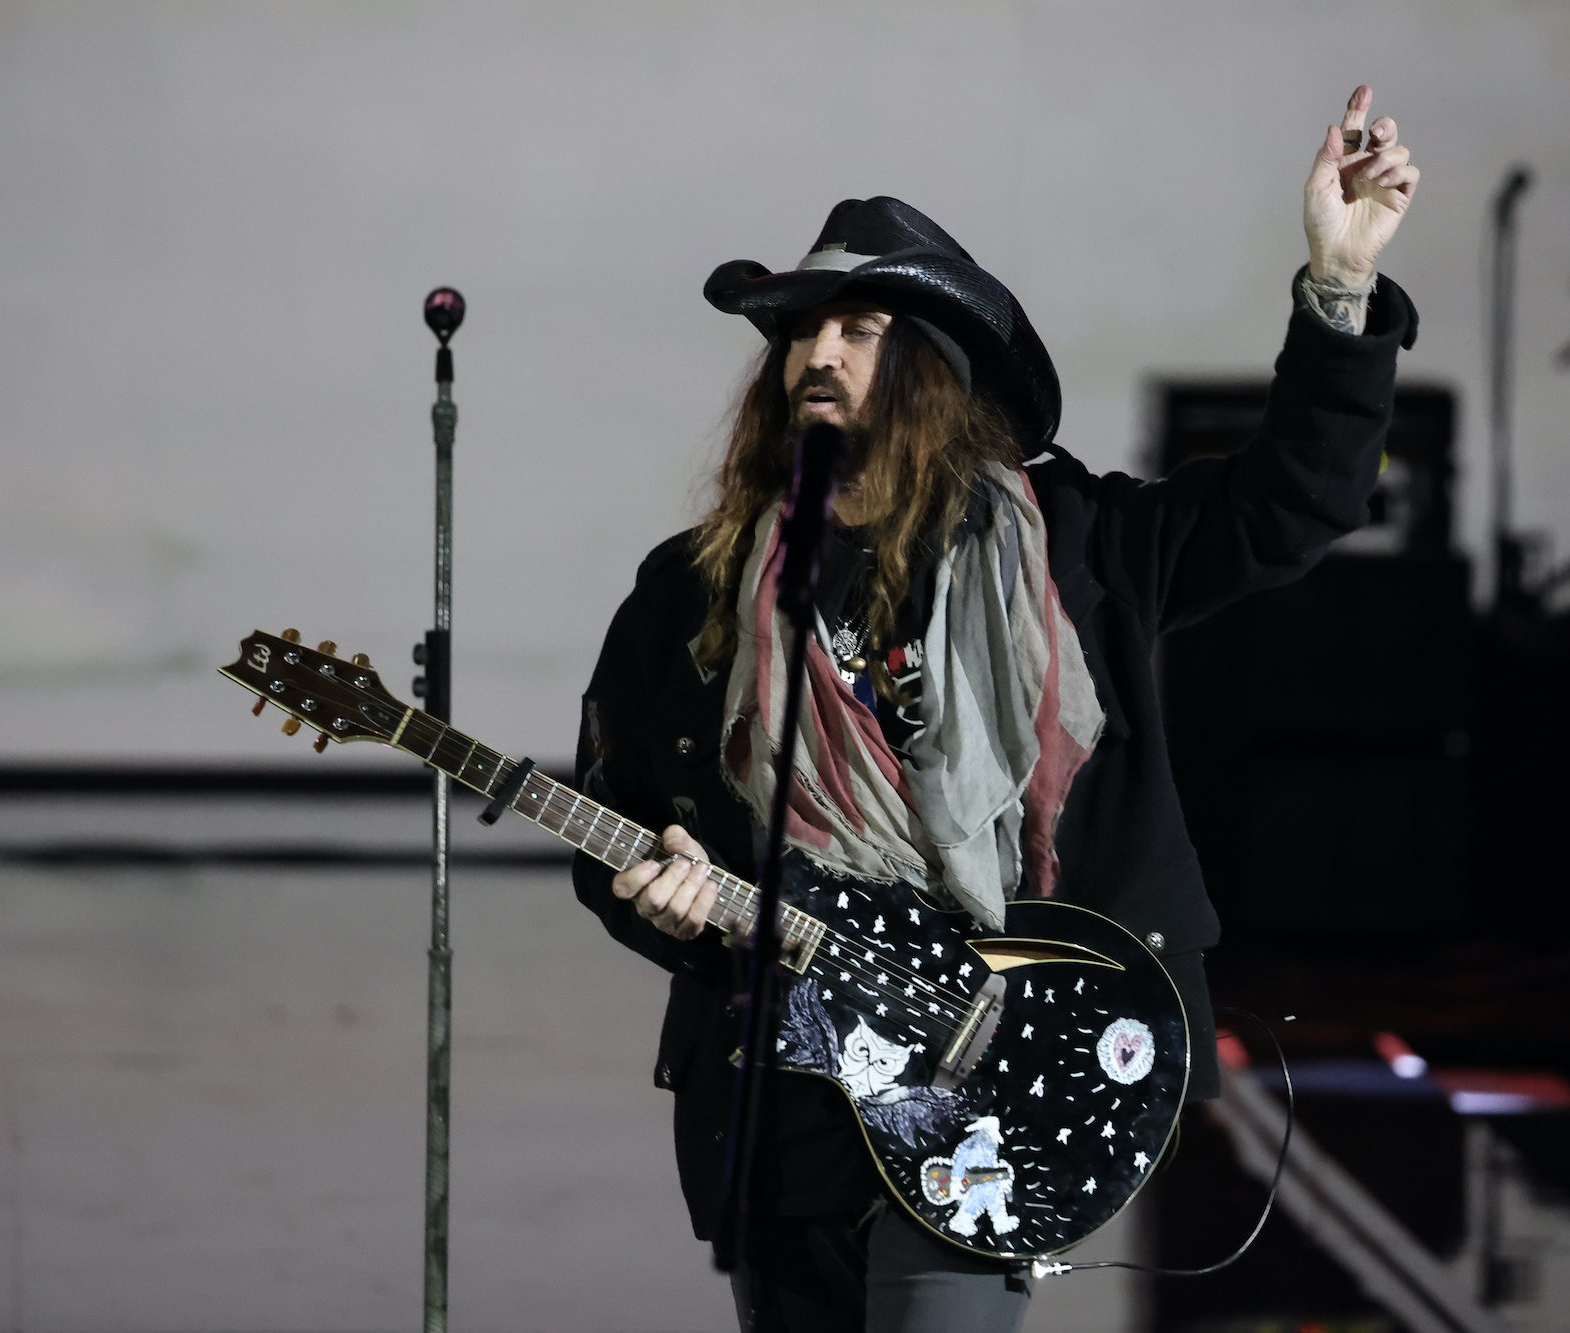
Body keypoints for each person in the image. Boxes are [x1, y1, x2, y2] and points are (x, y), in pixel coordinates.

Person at [571, 84, 1420, 1333]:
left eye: (860, 330)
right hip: (793, 1087)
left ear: (932, 374)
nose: (818, 353)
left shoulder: (1075, 546)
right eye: (802, 331)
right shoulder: (692, 590)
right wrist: (663, 897)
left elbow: (1287, 507)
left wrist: (1337, 292)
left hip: (999, 1058)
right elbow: (621, 821)